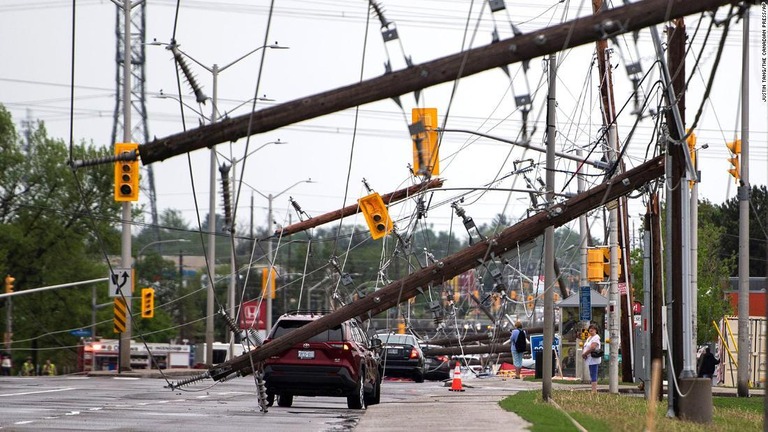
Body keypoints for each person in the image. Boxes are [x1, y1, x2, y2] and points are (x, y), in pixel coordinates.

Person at [581, 324, 602, 393]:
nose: (591, 330)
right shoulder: (589, 338)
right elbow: (586, 346)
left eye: (593, 329)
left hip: (593, 358)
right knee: (592, 373)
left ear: (596, 330)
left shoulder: (596, 337)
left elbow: (592, 347)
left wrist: (585, 353)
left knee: (593, 373)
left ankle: (594, 391)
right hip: (589, 358)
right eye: (590, 328)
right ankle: (593, 390)